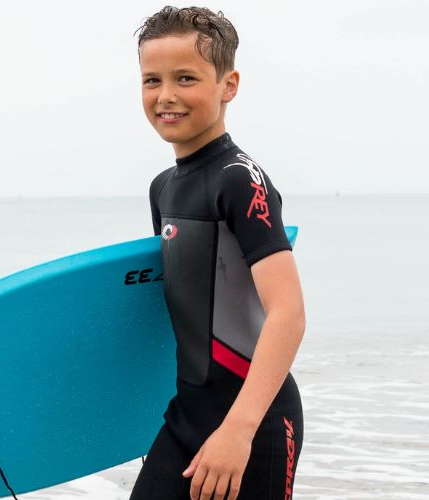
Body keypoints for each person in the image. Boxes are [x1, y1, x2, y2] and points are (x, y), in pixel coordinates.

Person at [130, 6, 306, 500]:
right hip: (185, 420)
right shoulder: (163, 188)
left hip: (254, 425)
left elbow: (288, 313)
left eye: (185, 78)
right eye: (151, 80)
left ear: (228, 85)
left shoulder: (239, 179)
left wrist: (238, 431)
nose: (166, 96)